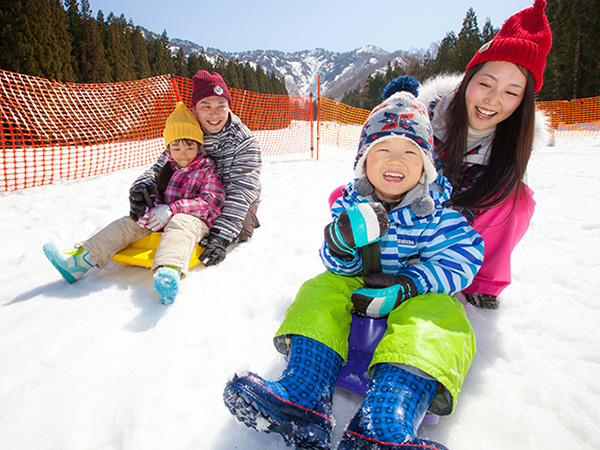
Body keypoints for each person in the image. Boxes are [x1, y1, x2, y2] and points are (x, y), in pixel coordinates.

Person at [222, 77, 484, 450]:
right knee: (321, 288)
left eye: (410, 152)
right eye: (382, 151)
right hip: (357, 288)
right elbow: (336, 264)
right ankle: (303, 396)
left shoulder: (438, 216)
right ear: (364, 161)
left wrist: (411, 284)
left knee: (442, 314)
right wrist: (342, 241)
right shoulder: (351, 205)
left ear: (426, 165)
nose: (396, 161)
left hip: (411, 293)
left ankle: (384, 421)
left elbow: (464, 257)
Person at [418, 0, 552, 309]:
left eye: (511, 92)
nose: (492, 100)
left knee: (517, 201)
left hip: (459, 232)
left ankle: (480, 282)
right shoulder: (424, 116)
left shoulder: (512, 142)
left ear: (523, 101)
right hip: (411, 220)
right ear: (468, 80)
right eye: (486, 84)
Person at [43, 102, 225, 304]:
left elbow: (210, 204)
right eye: (177, 147)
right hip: (162, 217)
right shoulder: (166, 168)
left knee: (181, 221)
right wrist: (150, 210)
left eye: (190, 146)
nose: (183, 153)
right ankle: (79, 262)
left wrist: (173, 209)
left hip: (194, 222)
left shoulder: (207, 170)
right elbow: (156, 193)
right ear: (168, 149)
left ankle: (169, 272)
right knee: (129, 223)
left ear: (199, 146)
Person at [130, 71, 262, 267]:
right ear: (195, 110)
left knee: (238, 230)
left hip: (233, 200)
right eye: (206, 106)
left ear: (228, 107)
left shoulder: (244, 141)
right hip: (191, 194)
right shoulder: (188, 130)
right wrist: (141, 188)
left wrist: (220, 236)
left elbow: (242, 191)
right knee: (149, 211)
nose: (214, 113)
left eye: (220, 106)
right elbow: (162, 165)